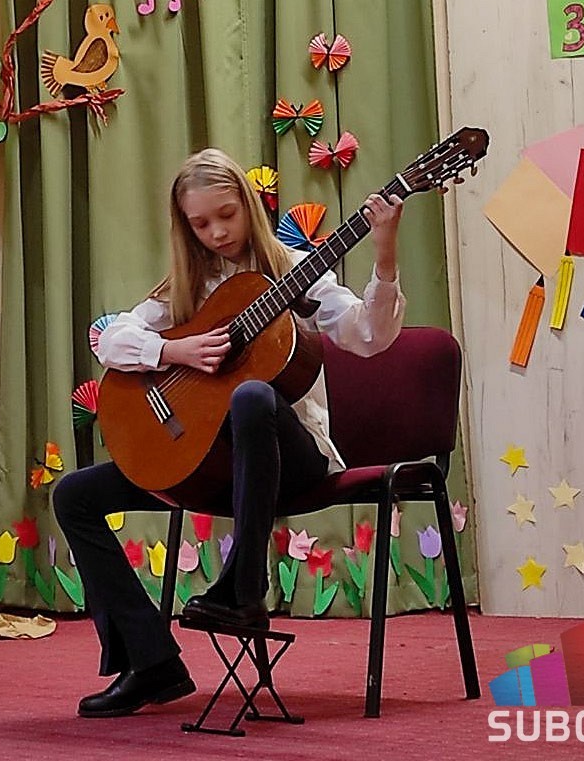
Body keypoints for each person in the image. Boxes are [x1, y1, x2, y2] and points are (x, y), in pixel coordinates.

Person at [54, 147, 406, 718]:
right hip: (214, 467)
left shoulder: (297, 271)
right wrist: (174, 351)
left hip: (293, 464)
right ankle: (149, 662)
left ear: (248, 205)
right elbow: (110, 339)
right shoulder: (188, 289)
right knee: (74, 495)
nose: (217, 232)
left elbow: (370, 336)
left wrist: (384, 254)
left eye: (226, 214)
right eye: (200, 223)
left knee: (252, 396)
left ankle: (244, 590)